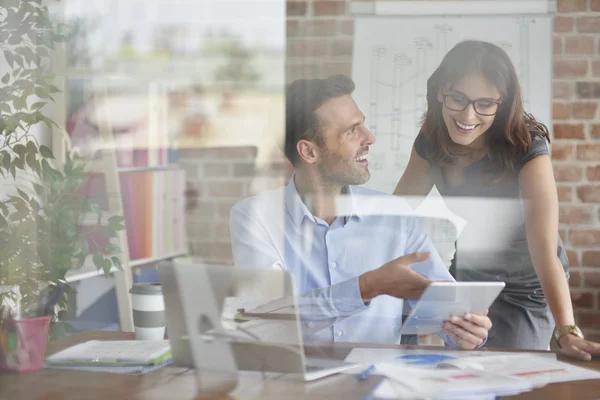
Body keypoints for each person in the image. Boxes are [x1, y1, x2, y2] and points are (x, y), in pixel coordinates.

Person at [230, 74, 491, 349]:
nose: (370, 138)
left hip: (376, 385)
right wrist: (366, 287)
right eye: (352, 131)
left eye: (363, 124)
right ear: (309, 151)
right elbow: (266, 321)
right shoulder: (255, 217)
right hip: (295, 385)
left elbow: (449, 314)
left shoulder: (395, 216)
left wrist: (466, 332)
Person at [394, 40, 600, 360]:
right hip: (470, 276)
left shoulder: (525, 148)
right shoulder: (431, 141)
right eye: (458, 99)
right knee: (448, 363)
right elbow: (396, 217)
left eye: (485, 103)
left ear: (501, 105)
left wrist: (566, 330)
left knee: (509, 369)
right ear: (440, 92)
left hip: (526, 287)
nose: (468, 115)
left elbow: (544, 248)